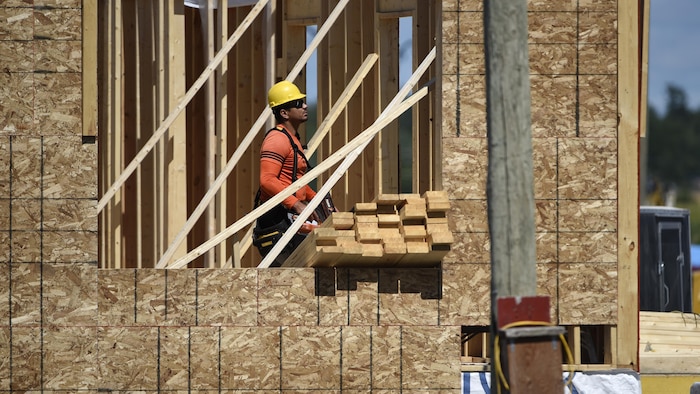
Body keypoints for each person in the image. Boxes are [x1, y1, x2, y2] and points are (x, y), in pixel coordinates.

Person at [254, 80, 321, 266]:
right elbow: (267, 180)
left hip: (289, 220)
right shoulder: (277, 139)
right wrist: (296, 205)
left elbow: (295, 183)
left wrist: (320, 200)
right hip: (278, 222)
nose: (305, 106)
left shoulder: (292, 140)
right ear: (284, 113)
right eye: (299, 104)